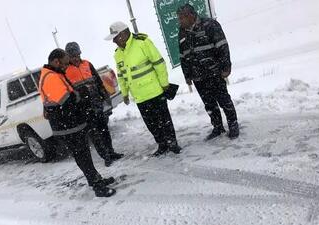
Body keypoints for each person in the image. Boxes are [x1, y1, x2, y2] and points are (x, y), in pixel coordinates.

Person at [38, 48, 116, 197]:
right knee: (83, 157)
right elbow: (68, 103)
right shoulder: (51, 77)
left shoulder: (54, 74)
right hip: (67, 127)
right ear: (56, 61)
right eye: (65, 64)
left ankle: (96, 180)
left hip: (70, 125)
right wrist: (84, 96)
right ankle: (98, 187)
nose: (67, 67)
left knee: (84, 155)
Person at [104, 21, 181, 157]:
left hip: (155, 91)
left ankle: (172, 143)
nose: (114, 41)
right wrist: (125, 93)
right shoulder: (118, 54)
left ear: (123, 34)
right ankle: (162, 144)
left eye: (115, 37)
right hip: (139, 96)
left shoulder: (143, 42)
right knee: (151, 124)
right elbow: (121, 75)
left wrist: (164, 84)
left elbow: (159, 63)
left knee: (164, 120)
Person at [177, 4, 239, 140]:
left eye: (182, 17)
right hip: (198, 77)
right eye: (179, 18)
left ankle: (233, 124)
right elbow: (183, 56)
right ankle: (217, 127)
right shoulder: (181, 32)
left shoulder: (210, 25)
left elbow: (222, 46)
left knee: (224, 100)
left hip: (214, 72)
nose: (180, 21)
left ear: (191, 15)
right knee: (209, 104)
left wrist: (226, 67)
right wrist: (187, 75)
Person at [64, 42, 124, 167]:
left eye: (77, 54)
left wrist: (105, 96)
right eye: (72, 56)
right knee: (94, 134)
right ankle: (105, 156)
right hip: (83, 108)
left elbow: (98, 81)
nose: (75, 58)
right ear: (68, 56)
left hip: (96, 104)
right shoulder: (66, 71)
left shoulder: (87, 64)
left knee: (104, 130)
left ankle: (111, 152)